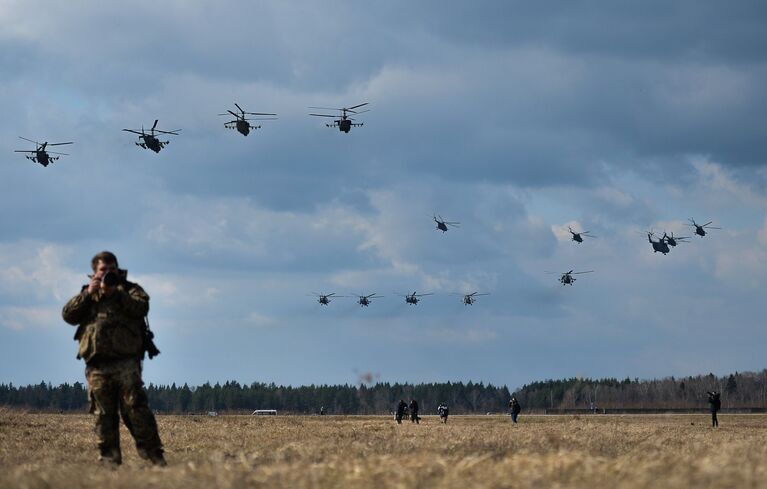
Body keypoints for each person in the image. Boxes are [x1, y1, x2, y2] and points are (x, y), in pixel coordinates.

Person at [62, 251, 165, 466]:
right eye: (103, 270)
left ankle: (153, 455)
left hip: (126, 362)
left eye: (112, 269)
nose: (108, 273)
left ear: (118, 269)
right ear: (94, 273)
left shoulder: (130, 290)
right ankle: (109, 459)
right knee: (103, 414)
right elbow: (68, 315)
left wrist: (117, 293)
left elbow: (142, 307)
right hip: (97, 365)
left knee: (135, 408)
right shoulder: (88, 295)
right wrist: (88, 294)